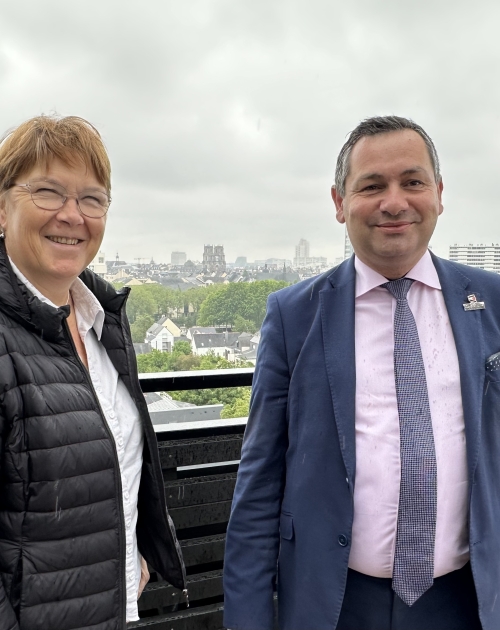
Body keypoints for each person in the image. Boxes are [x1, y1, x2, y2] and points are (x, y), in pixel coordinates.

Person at [223, 115, 500, 630]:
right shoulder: (294, 316)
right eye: (371, 186)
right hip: (337, 603)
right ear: (339, 203)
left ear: (438, 193)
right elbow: (259, 484)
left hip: (472, 600)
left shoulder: (493, 302)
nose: (394, 202)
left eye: (412, 182)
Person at [0, 115, 186, 630]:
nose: (71, 215)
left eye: (91, 199)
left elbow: (112, 463)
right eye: (47, 192)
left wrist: (133, 552)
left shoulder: (101, 320)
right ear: (1, 208)